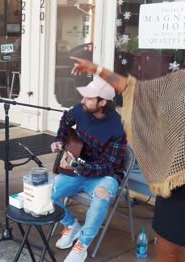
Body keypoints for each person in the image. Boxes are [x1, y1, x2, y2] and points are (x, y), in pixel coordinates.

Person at [70, 18, 185, 262]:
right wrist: (96, 70)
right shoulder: (184, 79)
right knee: (165, 242)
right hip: (173, 180)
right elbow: (136, 90)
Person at [50, 77, 127, 262]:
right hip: (79, 168)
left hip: (105, 175)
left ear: (102, 103)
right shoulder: (81, 109)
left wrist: (80, 167)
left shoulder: (117, 127)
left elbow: (109, 164)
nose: (82, 101)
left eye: (88, 98)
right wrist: (59, 139)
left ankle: (82, 245)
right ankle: (71, 225)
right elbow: (65, 120)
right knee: (47, 194)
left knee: (101, 196)